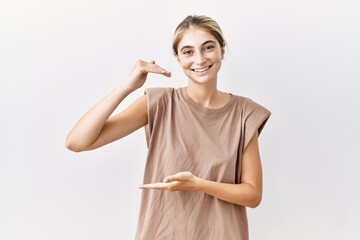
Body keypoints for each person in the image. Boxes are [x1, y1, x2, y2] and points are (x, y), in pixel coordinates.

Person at [66, 15, 271, 240]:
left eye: (208, 48)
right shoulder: (160, 103)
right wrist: (126, 86)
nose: (200, 59)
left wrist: (198, 185)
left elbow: (252, 195)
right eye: (188, 51)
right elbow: (77, 142)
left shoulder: (244, 113)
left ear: (222, 50)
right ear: (177, 57)